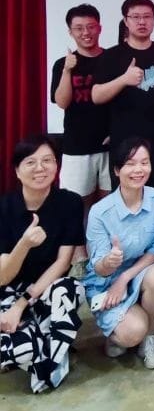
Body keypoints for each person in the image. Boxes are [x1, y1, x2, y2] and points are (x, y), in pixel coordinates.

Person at [0, 136, 83, 392]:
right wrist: (24, 244)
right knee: (18, 349)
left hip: (48, 289)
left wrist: (23, 303)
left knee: (67, 289)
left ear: (57, 165)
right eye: (31, 162)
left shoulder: (70, 202)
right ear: (17, 170)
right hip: (9, 290)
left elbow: (62, 263)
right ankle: (48, 345)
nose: (40, 168)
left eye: (47, 160)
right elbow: (3, 277)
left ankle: (45, 350)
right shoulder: (4, 208)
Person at [83, 138, 154, 369]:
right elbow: (98, 268)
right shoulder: (100, 212)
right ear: (116, 170)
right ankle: (116, 334)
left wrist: (125, 276)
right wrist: (110, 263)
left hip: (138, 272)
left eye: (144, 162)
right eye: (130, 164)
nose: (138, 169)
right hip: (106, 282)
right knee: (133, 332)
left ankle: (149, 339)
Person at [92, 0, 154, 207]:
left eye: (147, 16)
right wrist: (123, 79)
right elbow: (96, 95)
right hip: (124, 143)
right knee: (126, 201)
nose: (142, 21)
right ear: (126, 21)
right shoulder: (111, 56)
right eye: (135, 17)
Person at [50, 3, 109, 277]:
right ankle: (79, 255)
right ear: (70, 32)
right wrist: (67, 71)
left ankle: (104, 252)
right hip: (76, 145)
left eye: (90, 27)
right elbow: (62, 102)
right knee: (76, 203)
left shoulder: (111, 59)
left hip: (110, 145)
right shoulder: (63, 64)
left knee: (107, 201)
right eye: (79, 28)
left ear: (99, 28)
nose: (86, 32)